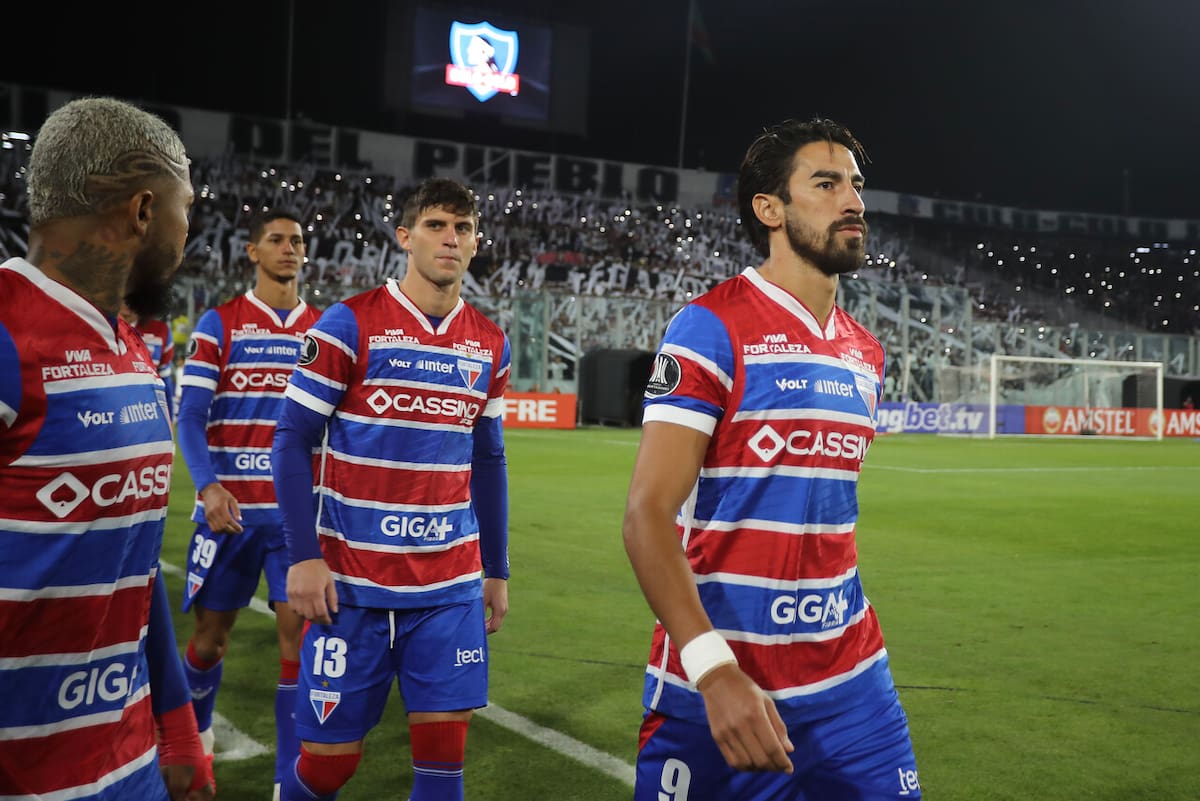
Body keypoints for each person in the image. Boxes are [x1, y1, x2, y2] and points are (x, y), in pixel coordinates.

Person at [622, 117, 922, 800]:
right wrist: (714, 670)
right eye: (826, 183)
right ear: (770, 209)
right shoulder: (711, 326)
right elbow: (646, 515)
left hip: (853, 682)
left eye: (855, 184)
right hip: (727, 687)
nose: (853, 201)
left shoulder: (865, 352)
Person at [270, 177, 511, 801]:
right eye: (435, 225)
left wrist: (497, 568)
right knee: (328, 768)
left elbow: (489, 459)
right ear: (405, 237)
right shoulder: (348, 324)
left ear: (476, 242)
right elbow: (291, 439)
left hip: (448, 588)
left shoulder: (490, 344)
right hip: (352, 585)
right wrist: (302, 555)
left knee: (441, 770)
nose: (450, 239)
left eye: (462, 228)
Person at [0, 96, 212, 800]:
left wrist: (178, 723)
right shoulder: (7, 333)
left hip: (126, 767)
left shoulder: (128, 350)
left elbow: (133, 558)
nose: (189, 240)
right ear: (143, 211)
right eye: (187, 213)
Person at [175, 207, 321, 796]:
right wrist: (208, 485)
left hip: (295, 522)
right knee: (210, 641)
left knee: (298, 648)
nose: (290, 249)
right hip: (228, 518)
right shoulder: (220, 324)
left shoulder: (323, 331)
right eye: (277, 240)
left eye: (298, 241)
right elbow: (189, 416)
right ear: (252, 252)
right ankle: (196, 743)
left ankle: (289, 780)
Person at [121, 301, 177, 420]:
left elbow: (165, 384)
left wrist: (169, 421)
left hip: (147, 413)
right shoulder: (101, 328)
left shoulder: (161, 331)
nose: (127, 302)